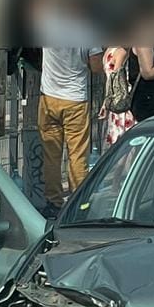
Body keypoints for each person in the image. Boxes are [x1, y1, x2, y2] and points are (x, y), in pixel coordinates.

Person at [39, 44, 103, 210]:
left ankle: (53, 201)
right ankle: (78, 202)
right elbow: (96, 67)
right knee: (77, 155)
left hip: (49, 98)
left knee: (51, 155)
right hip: (75, 99)